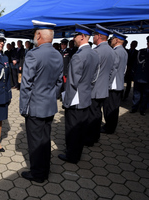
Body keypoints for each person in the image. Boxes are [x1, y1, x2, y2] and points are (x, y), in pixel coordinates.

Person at [19, 20, 63, 183]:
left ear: (38, 35)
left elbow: (26, 85)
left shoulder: (33, 54)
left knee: (35, 143)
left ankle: (37, 174)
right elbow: (59, 82)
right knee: (45, 140)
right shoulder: (58, 54)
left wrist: (24, 108)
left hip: (35, 108)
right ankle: (45, 169)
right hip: (49, 106)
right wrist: (50, 97)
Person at [58, 24, 99, 164]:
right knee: (81, 128)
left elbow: (72, 82)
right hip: (86, 96)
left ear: (82, 37)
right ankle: (77, 153)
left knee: (73, 128)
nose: (73, 38)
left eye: (75, 35)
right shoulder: (94, 53)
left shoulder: (78, 56)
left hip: (75, 98)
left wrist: (66, 100)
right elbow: (95, 77)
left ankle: (71, 155)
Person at [85, 24, 115, 147]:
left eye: (94, 35)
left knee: (92, 115)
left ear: (99, 36)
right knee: (97, 113)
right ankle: (96, 136)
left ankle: (90, 139)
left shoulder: (96, 51)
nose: (92, 37)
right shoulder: (112, 51)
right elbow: (113, 71)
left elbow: (93, 73)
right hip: (103, 89)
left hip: (94, 89)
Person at [101, 31, 128, 134]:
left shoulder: (116, 52)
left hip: (113, 85)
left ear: (116, 40)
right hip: (119, 83)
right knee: (114, 107)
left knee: (110, 107)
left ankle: (109, 127)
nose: (111, 41)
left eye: (112, 39)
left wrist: (107, 84)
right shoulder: (123, 51)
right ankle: (111, 126)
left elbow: (113, 69)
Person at [130, 36, 149, 116]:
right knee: (136, 94)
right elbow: (135, 64)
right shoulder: (141, 51)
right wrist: (133, 74)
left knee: (145, 95)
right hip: (138, 76)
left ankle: (142, 109)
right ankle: (134, 107)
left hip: (148, 78)